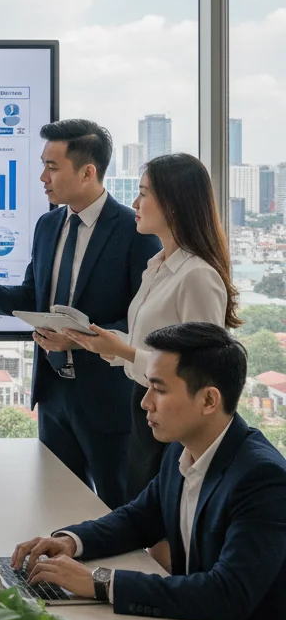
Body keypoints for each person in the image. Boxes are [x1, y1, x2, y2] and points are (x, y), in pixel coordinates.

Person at [11, 323, 286, 620]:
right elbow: (138, 519)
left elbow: (227, 595)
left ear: (208, 400)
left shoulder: (262, 478)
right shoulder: (180, 451)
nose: (145, 402)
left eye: (158, 389)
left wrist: (99, 582)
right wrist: (69, 541)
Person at [0, 119, 160, 508]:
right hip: (53, 395)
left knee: (116, 510)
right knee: (54, 507)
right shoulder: (48, 226)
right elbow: (34, 297)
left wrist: (79, 339)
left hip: (108, 403)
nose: (42, 178)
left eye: (52, 167)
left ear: (87, 172)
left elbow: (143, 323)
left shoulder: (134, 232)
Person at [62, 154, 239, 499]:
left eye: (143, 193)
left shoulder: (197, 276)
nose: (134, 203)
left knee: (160, 515)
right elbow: (152, 346)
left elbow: (201, 370)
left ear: (172, 205)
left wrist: (124, 351)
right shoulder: (157, 266)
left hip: (178, 419)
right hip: (145, 406)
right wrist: (104, 343)